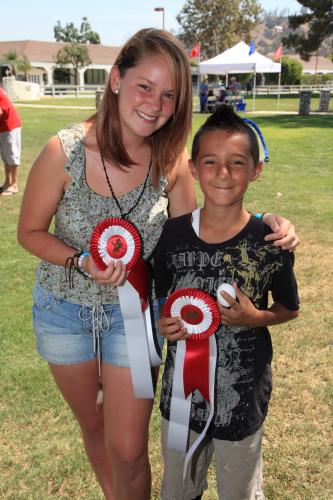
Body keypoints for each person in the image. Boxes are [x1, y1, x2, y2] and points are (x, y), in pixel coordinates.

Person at [18, 28, 298, 500]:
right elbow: (29, 232)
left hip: (135, 319)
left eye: (169, 95)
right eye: (144, 87)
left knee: (127, 448)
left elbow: (199, 230)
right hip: (64, 311)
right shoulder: (61, 152)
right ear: (115, 80)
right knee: (93, 428)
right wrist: (81, 260)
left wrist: (267, 221)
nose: (155, 104)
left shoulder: (170, 159)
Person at [152, 105, 300, 500]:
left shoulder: (270, 242)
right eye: (211, 162)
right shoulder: (171, 235)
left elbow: (290, 307)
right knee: (179, 489)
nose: (223, 173)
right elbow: (161, 297)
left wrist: (255, 317)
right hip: (182, 401)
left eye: (237, 163)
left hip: (241, 398)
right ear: (194, 168)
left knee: (239, 491)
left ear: (255, 169)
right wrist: (163, 322)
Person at [0, 87, 22, 196]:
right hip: (3, 127)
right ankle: (7, 183)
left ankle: (14, 185)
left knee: (12, 155)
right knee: (5, 156)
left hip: (10, 126)